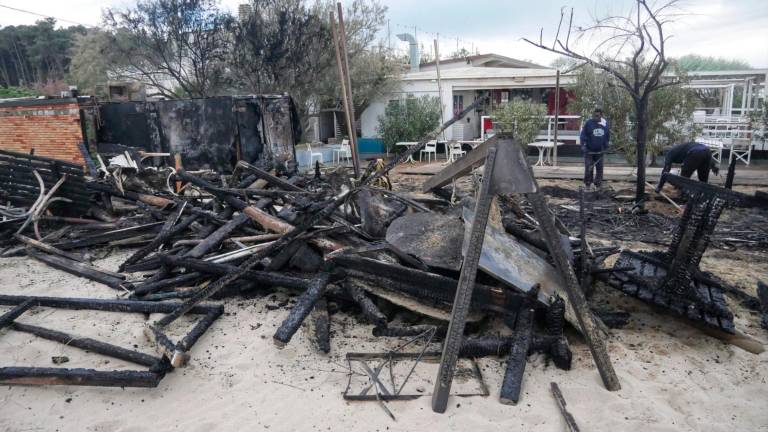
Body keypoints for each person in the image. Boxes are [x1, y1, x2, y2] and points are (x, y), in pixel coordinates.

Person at [579, 108, 610, 190]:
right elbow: (583, 135)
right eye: (594, 115)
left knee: (599, 168)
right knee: (589, 167)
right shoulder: (589, 123)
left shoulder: (605, 124)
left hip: (600, 151)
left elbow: (607, 136)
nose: (595, 117)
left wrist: (606, 146)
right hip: (589, 151)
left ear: (601, 115)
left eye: (597, 116)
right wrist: (583, 145)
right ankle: (588, 185)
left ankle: (598, 184)